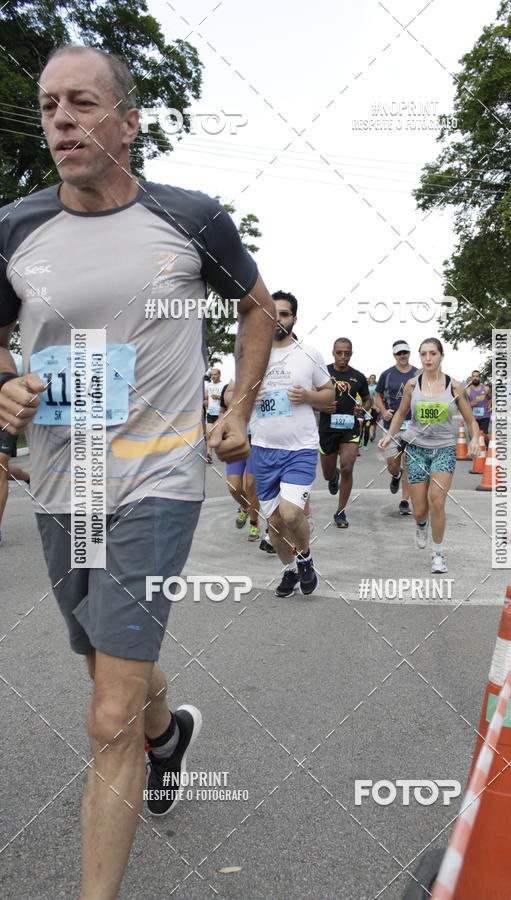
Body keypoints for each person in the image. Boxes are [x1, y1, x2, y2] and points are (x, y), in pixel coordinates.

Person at [0, 44, 275, 899]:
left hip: (157, 478)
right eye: (49, 107)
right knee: (107, 667)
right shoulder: (16, 226)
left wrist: (237, 408)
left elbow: (256, 308)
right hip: (61, 482)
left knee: (105, 713)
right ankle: (168, 737)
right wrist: (6, 385)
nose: (60, 121)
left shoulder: (192, 216)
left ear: (128, 120)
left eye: (81, 103)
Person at [250, 290, 334, 597]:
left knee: (290, 514)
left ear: (294, 319)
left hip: (300, 449)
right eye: (272, 312)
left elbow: (331, 397)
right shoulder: (253, 354)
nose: (277, 318)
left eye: (283, 313)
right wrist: (249, 397)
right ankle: (289, 571)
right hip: (263, 448)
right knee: (272, 523)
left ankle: (305, 557)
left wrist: (309, 397)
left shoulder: (309, 353)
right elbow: (233, 396)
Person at [379, 338, 479, 574]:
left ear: (441, 356)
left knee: (437, 501)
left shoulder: (454, 387)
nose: (427, 358)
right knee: (420, 509)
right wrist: (390, 435)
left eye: (432, 353)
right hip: (415, 448)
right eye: (423, 354)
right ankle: (421, 524)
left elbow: (471, 419)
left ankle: (438, 553)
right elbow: (401, 413)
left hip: (443, 448)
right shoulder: (413, 385)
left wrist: (475, 438)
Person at [318, 338, 370, 527]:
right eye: (339, 352)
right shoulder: (322, 373)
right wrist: (321, 407)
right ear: (333, 353)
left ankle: (340, 512)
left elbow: (367, 399)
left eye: (346, 353)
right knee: (327, 474)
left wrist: (362, 409)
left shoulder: (358, 376)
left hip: (349, 428)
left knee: (348, 466)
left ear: (351, 353)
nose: (343, 356)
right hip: (327, 430)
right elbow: (311, 396)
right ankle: (334, 477)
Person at [374, 340, 418, 514]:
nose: (402, 356)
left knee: (409, 462)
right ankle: (395, 475)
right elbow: (377, 394)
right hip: (391, 425)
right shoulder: (387, 375)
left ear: (409, 353)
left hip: (413, 426)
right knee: (393, 464)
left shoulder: (418, 373)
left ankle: (404, 501)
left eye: (405, 352)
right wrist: (383, 410)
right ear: (394, 355)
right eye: (399, 353)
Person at [219, 379, 261, 541]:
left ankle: (254, 523)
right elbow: (222, 410)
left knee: (251, 485)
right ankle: (245, 506)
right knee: (234, 487)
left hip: (255, 440)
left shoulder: (261, 386)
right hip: (235, 439)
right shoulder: (229, 388)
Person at [466, 369, 492, 447]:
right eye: (473, 376)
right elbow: (464, 404)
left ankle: (488, 443)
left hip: (485, 416)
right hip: (473, 417)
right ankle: (473, 447)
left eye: (477, 376)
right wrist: (471, 404)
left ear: (480, 378)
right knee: (473, 434)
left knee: (482, 435)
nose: (475, 378)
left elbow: (491, 398)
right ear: (472, 377)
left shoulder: (486, 389)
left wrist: (490, 406)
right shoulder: (468, 391)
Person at [204, 367, 224, 463]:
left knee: (222, 435)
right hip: (211, 413)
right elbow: (206, 397)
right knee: (209, 433)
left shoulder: (224, 385)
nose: (213, 376)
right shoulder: (208, 386)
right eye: (211, 375)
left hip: (221, 413)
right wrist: (205, 401)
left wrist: (219, 397)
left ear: (219, 374)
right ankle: (208, 454)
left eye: (215, 374)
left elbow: (228, 398)